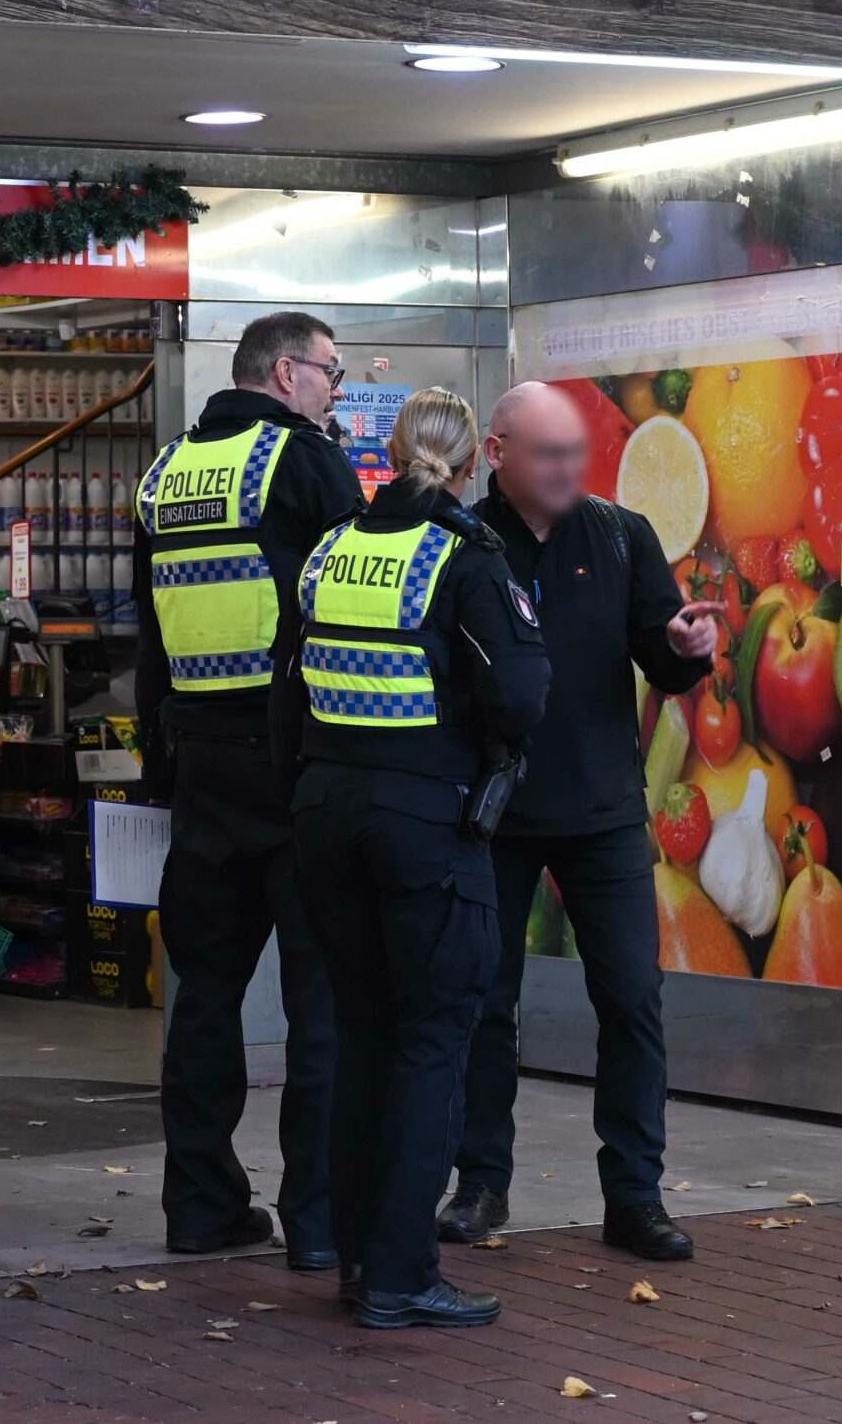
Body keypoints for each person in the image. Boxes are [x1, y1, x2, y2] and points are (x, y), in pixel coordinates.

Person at [275, 387, 550, 1329]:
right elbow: (518, 695)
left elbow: (290, 679)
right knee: (433, 1040)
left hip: (325, 815)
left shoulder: (334, 547)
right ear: (473, 465)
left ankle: (357, 1260)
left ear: (387, 453)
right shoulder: (466, 557)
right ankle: (401, 1272)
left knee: (360, 1039)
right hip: (424, 826)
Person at [439, 382, 723, 1262]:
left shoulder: (620, 535)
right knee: (485, 1003)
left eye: (576, 454)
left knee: (632, 998)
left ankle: (634, 1195)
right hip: (493, 811)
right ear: (496, 453)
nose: (568, 470)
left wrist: (683, 652)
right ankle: (481, 1183)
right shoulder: (460, 544)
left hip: (601, 809)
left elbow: (660, 651)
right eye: (548, 455)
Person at [133, 311, 361, 1268]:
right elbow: (354, 606)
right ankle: (315, 1221)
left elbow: (146, 635)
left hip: (202, 774)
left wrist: (160, 772)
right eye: (331, 373)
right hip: (295, 767)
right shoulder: (303, 463)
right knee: (322, 1002)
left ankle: (200, 1206)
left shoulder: (165, 473)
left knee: (203, 1000)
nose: (336, 391)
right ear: (283, 371)